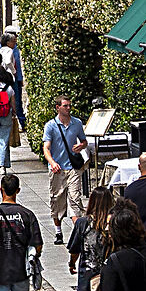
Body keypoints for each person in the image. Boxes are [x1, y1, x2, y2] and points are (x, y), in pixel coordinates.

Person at [42, 98, 88, 242]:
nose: (68, 108)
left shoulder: (77, 123)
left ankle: (78, 231)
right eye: (65, 106)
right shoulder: (51, 126)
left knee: (75, 198)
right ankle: (58, 231)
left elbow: (84, 141)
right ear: (58, 107)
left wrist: (81, 146)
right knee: (57, 200)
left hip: (73, 168)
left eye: (70, 105)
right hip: (58, 169)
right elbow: (46, 148)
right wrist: (52, 162)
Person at [66, 185, 116, 291]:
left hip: (88, 273)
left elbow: (75, 249)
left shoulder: (82, 223)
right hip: (111, 272)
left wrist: (72, 263)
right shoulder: (114, 222)